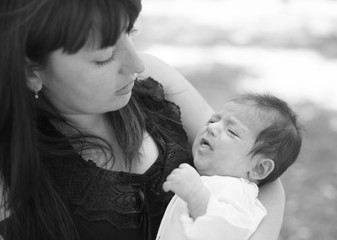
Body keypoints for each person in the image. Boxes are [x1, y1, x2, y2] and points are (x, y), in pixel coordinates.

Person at [0, 0, 285, 240]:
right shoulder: (10, 162)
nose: (136, 64)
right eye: (105, 56)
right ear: (32, 71)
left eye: (131, 31)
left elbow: (259, 172)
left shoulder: (156, 78)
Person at [156, 93, 302, 240]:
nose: (212, 127)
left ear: (259, 169)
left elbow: (232, 229)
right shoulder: (217, 182)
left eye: (231, 131)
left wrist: (196, 195)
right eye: (212, 121)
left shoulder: (236, 190)